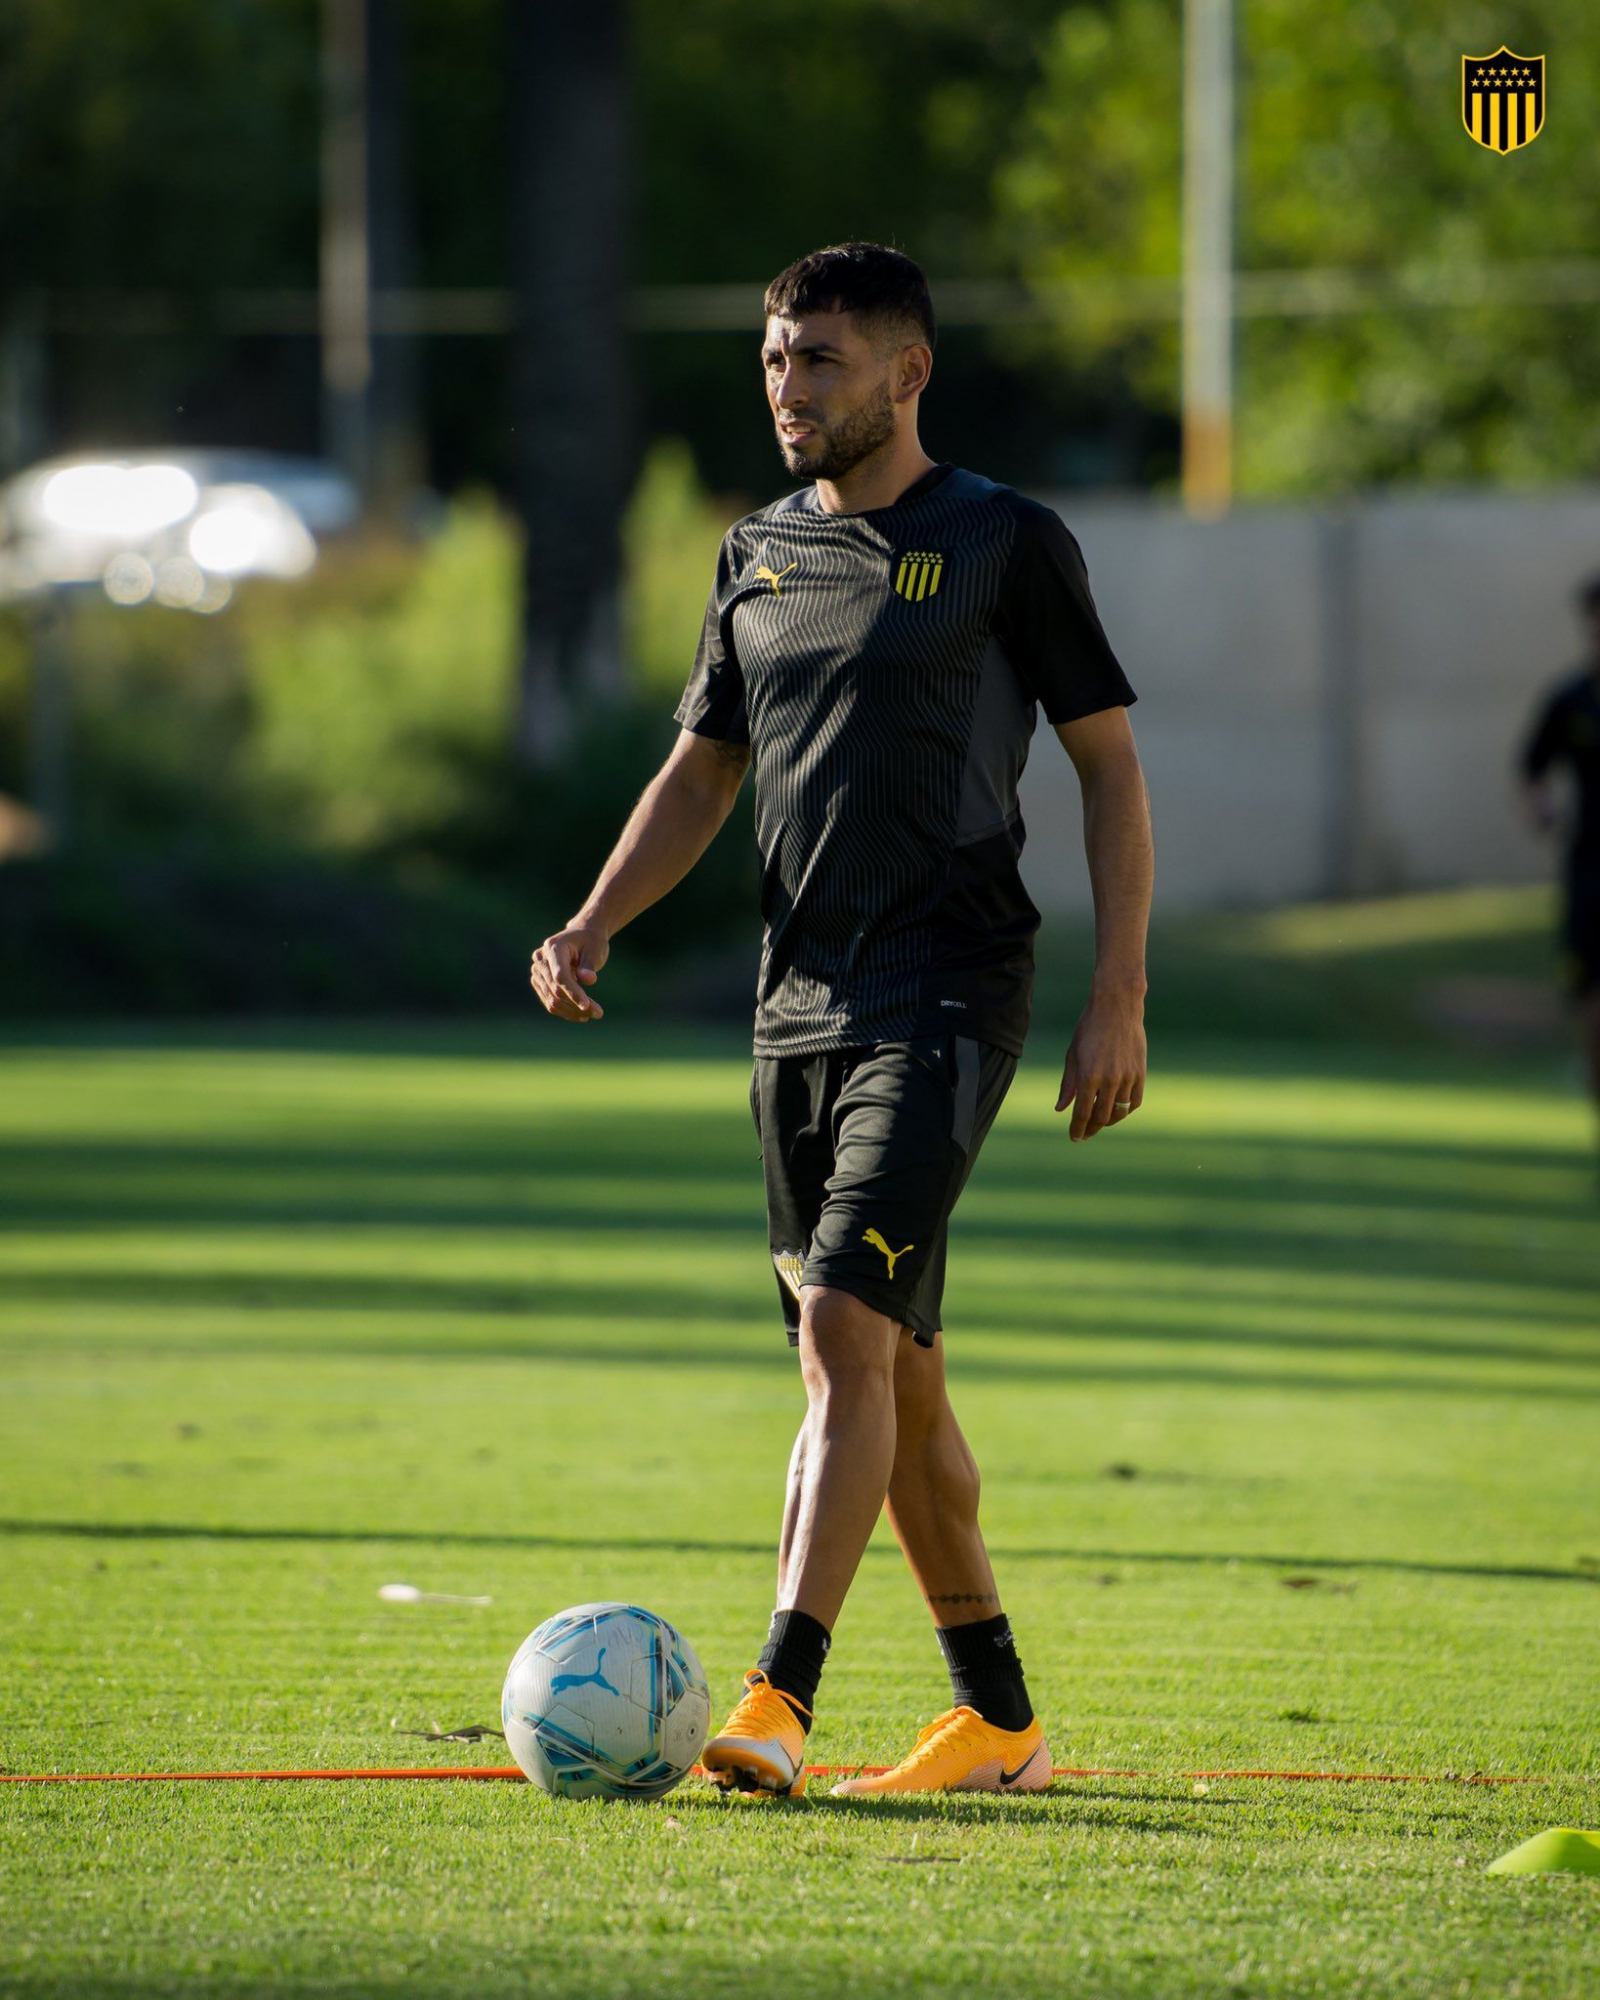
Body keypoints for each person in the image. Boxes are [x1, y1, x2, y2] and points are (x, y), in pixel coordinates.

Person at [530, 241, 1154, 1797]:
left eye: (817, 359)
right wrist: (597, 916)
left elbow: (1111, 770)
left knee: (841, 1329)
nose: (786, 386)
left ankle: (776, 1698)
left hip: (950, 988)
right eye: (773, 358)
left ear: (907, 372)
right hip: (792, 1011)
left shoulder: (1006, 539)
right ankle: (996, 1716)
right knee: (894, 1373)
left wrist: (1120, 993)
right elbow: (702, 771)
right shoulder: (754, 554)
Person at [1517, 572, 1600, 1154]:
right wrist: (1542, 811)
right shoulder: (1570, 700)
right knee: (1589, 1002)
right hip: (1590, 869)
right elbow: (1531, 769)